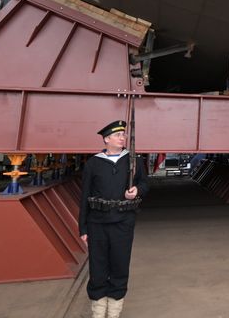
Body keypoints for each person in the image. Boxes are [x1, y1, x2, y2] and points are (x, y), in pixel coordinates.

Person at [79, 120, 149, 318]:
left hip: (123, 222)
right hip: (97, 223)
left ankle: (114, 311)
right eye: (117, 135)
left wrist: (137, 191)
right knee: (98, 266)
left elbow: (145, 183)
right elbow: (85, 196)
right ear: (106, 139)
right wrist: (83, 228)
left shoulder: (134, 161)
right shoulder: (93, 163)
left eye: (123, 134)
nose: (122, 138)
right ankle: (98, 310)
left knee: (120, 264)